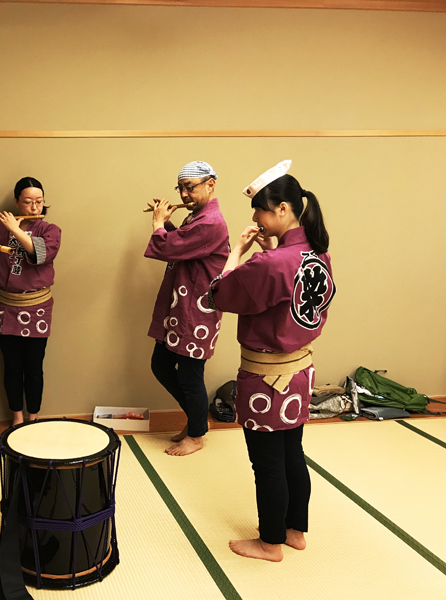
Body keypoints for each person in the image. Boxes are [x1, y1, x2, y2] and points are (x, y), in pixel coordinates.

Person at [209, 160, 335, 562]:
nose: (256, 220)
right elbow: (284, 291)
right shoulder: (316, 253)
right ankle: (295, 531)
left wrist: (236, 252)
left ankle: (269, 543)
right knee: (292, 453)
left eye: (260, 211)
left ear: (282, 209)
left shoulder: (271, 263)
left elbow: (218, 294)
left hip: (266, 379)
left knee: (267, 463)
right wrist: (269, 252)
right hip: (300, 372)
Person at [145, 161, 229, 456]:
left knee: (190, 376)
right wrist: (168, 225)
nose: (183, 194)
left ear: (210, 184)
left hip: (198, 311)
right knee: (161, 365)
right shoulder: (198, 217)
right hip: (182, 307)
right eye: (180, 188)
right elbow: (182, 245)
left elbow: (169, 247)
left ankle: (196, 434)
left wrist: (158, 225)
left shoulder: (211, 221)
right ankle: (197, 421)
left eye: (190, 187)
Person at [0, 177, 61, 425]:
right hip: (5, 306)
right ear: (16, 201)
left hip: (38, 307)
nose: (34, 207)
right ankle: (17, 417)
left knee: (34, 366)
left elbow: (40, 254)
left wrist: (15, 230)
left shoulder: (50, 230)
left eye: (39, 202)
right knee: (11, 365)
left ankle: (33, 417)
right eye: (28, 201)